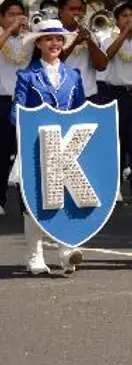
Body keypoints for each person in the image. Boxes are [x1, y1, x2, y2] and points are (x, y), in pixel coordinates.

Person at [13, 19, 85, 275]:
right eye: (48, 39)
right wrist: (36, 122)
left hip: (67, 147)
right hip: (36, 145)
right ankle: (34, 256)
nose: (54, 43)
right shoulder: (26, 76)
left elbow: (80, 111)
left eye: (58, 39)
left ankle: (66, 250)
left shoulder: (74, 75)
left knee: (67, 198)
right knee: (33, 200)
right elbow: (16, 113)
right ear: (39, 44)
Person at [101, 2, 132, 206]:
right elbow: (107, 56)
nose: (129, 19)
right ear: (117, 21)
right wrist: (124, 34)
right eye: (124, 16)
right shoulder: (108, 40)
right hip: (117, 94)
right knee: (118, 142)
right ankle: (116, 188)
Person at [0, 0, 27, 216]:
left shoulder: (30, 39)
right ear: (1, 18)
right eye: (11, 14)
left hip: (25, 102)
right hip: (2, 102)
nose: (16, 18)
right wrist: (9, 30)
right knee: (1, 154)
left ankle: (27, 204)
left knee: (25, 154)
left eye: (20, 14)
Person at [57, 0, 109, 103]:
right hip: (62, 97)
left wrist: (89, 40)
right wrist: (75, 42)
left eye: (80, 10)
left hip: (89, 96)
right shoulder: (53, 34)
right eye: (72, 9)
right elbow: (52, 62)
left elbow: (102, 66)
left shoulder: (91, 34)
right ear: (60, 12)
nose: (77, 13)